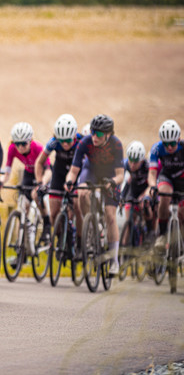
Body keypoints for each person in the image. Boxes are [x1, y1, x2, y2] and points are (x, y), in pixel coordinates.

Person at [65, 114, 124, 276]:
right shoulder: (85, 142)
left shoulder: (116, 144)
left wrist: (112, 182)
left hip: (110, 176)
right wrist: (69, 181)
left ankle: (114, 261)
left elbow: (120, 175)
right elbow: (74, 171)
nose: (94, 137)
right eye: (92, 132)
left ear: (108, 134)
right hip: (90, 171)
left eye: (98, 134)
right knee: (81, 192)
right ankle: (91, 225)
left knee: (110, 216)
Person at [35, 114, 83, 251]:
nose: (65, 144)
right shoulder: (53, 142)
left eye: (68, 140)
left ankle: (79, 242)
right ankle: (62, 240)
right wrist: (40, 183)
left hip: (77, 175)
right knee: (54, 213)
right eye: (62, 141)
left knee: (77, 207)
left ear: (74, 136)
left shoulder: (81, 142)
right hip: (59, 173)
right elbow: (40, 162)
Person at [2, 122, 51, 241]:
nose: (20, 147)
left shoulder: (38, 148)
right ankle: (22, 246)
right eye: (17, 144)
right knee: (22, 205)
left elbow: (49, 171)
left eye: (23, 144)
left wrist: (42, 183)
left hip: (43, 174)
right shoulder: (12, 149)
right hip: (29, 173)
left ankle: (46, 223)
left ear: (30, 141)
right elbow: (7, 171)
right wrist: (1, 182)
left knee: (35, 195)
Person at [148, 119, 184, 252]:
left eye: (173, 143)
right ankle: (162, 235)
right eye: (166, 143)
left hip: (182, 180)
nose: (169, 147)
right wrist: (153, 186)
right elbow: (152, 173)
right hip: (167, 177)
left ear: (178, 139)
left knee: (182, 211)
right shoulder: (156, 148)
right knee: (164, 195)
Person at [120, 140, 156, 240]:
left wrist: (145, 195)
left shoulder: (147, 166)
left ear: (141, 161)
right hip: (133, 190)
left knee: (145, 204)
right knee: (128, 221)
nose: (132, 164)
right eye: (130, 160)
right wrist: (121, 197)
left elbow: (152, 184)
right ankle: (124, 248)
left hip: (145, 189)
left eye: (135, 162)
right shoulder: (125, 164)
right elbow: (124, 182)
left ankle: (150, 231)